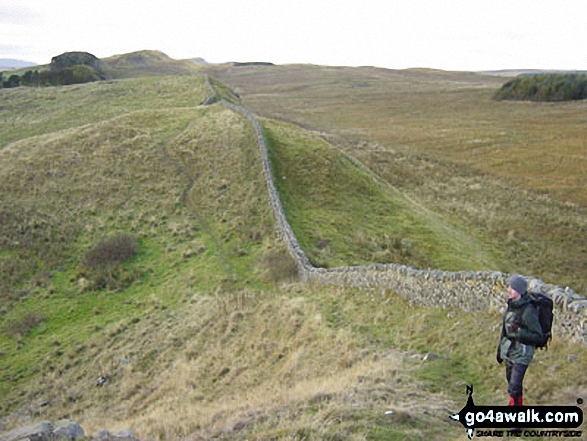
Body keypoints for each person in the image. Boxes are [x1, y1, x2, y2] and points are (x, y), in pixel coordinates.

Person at [496, 275, 543, 406]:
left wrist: (519, 332)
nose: (509, 290)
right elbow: (504, 331)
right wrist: (500, 350)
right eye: (509, 287)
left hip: (522, 354)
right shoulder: (511, 306)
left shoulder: (528, 311)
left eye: (513, 288)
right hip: (510, 351)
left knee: (515, 386)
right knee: (511, 384)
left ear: (520, 291)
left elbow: (538, 336)